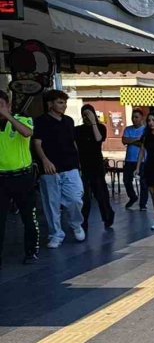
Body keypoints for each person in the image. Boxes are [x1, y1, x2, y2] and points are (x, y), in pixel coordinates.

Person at [33, 90, 85, 248]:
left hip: (70, 166)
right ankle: (55, 234)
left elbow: (73, 142)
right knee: (51, 203)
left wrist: (78, 162)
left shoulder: (69, 121)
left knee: (76, 198)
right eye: (60, 102)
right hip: (50, 170)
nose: (64, 106)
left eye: (64, 102)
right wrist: (45, 161)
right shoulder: (41, 121)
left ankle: (76, 224)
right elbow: (37, 143)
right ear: (50, 104)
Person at [0, 90, 39, 267]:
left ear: (8, 105)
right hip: (1, 179)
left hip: (22, 177)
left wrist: (7, 116)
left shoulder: (22, 119)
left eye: (1, 104)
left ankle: (31, 252)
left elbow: (27, 133)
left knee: (28, 217)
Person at [75, 104, 115, 230]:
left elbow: (98, 139)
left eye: (89, 114)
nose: (86, 117)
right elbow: (75, 145)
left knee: (100, 194)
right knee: (84, 196)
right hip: (83, 165)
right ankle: (83, 221)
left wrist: (93, 123)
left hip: (96, 165)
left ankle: (108, 216)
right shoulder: (77, 130)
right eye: (84, 114)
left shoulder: (100, 127)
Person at [122, 109, 148, 210]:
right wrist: (137, 140)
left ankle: (143, 204)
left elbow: (143, 144)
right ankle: (132, 197)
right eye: (133, 117)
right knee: (126, 180)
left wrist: (131, 141)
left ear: (141, 118)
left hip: (142, 160)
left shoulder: (145, 130)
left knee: (143, 182)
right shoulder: (128, 129)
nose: (134, 119)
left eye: (136, 117)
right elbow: (124, 140)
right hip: (129, 160)